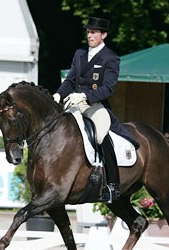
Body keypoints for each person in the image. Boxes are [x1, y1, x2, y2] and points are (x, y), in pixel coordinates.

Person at [53, 16, 121, 202]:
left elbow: (108, 88)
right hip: (73, 102)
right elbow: (70, 80)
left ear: (103, 35)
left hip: (94, 105)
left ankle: (113, 185)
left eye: (93, 32)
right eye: (88, 32)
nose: (89, 35)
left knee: (101, 135)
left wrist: (84, 96)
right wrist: (58, 95)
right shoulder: (79, 53)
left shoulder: (111, 58)